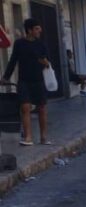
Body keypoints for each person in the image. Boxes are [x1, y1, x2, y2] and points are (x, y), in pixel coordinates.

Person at [1, 18, 51, 146]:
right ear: (29, 30)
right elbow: (13, 61)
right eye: (37, 28)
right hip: (24, 81)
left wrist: (45, 63)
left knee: (42, 108)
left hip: (39, 80)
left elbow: (47, 62)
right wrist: (6, 77)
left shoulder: (41, 44)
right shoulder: (19, 44)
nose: (40, 31)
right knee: (25, 107)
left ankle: (44, 137)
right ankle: (28, 137)